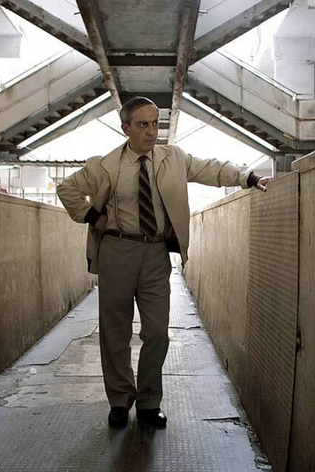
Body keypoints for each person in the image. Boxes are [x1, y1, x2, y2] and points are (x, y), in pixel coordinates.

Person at [57, 97, 272, 428]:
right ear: (126, 128)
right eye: (142, 124)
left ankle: (148, 402)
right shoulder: (104, 165)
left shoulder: (173, 158)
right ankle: (119, 401)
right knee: (115, 331)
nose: (151, 131)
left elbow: (211, 169)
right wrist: (91, 216)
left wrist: (249, 177)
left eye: (155, 123)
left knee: (157, 331)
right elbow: (67, 187)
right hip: (116, 250)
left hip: (156, 253)